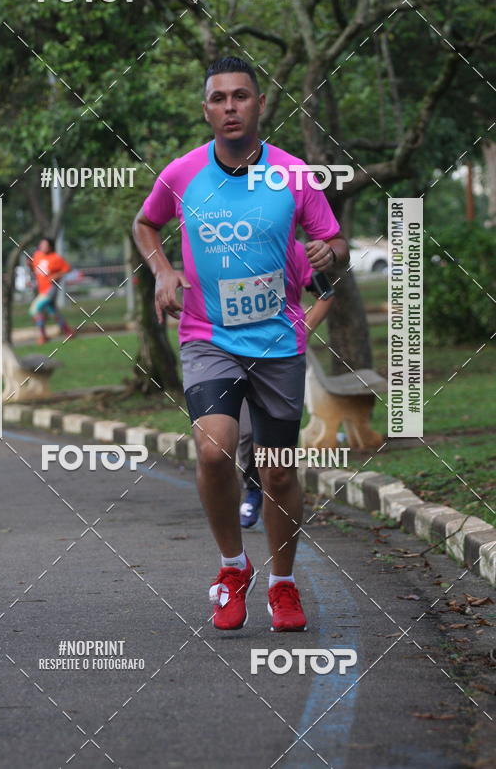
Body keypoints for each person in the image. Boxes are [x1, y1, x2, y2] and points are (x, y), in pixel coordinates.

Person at [132, 55, 348, 632]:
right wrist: (163, 271)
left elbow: (334, 244)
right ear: (206, 110)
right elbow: (145, 223)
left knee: (277, 471)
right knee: (213, 450)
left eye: (241, 96)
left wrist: (328, 253)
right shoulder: (182, 174)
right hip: (209, 338)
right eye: (219, 98)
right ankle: (233, 568)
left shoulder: (294, 175)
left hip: (277, 342)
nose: (230, 107)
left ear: (260, 104)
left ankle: (282, 583)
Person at [238, 251, 334, 529]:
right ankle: (253, 489)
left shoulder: (294, 250)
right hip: (232, 357)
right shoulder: (223, 252)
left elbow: (326, 293)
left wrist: (302, 330)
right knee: (245, 433)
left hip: (278, 360)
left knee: (276, 446)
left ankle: (278, 495)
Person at [27, 237, 74, 344]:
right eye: (41, 244)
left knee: (35, 309)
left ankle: (43, 336)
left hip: (50, 289)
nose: (42, 246)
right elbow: (34, 269)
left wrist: (57, 275)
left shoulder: (55, 258)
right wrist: (29, 265)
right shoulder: (37, 255)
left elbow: (68, 268)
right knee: (53, 312)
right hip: (41, 289)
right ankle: (68, 332)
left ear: (50, 247)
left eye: (45, 245)